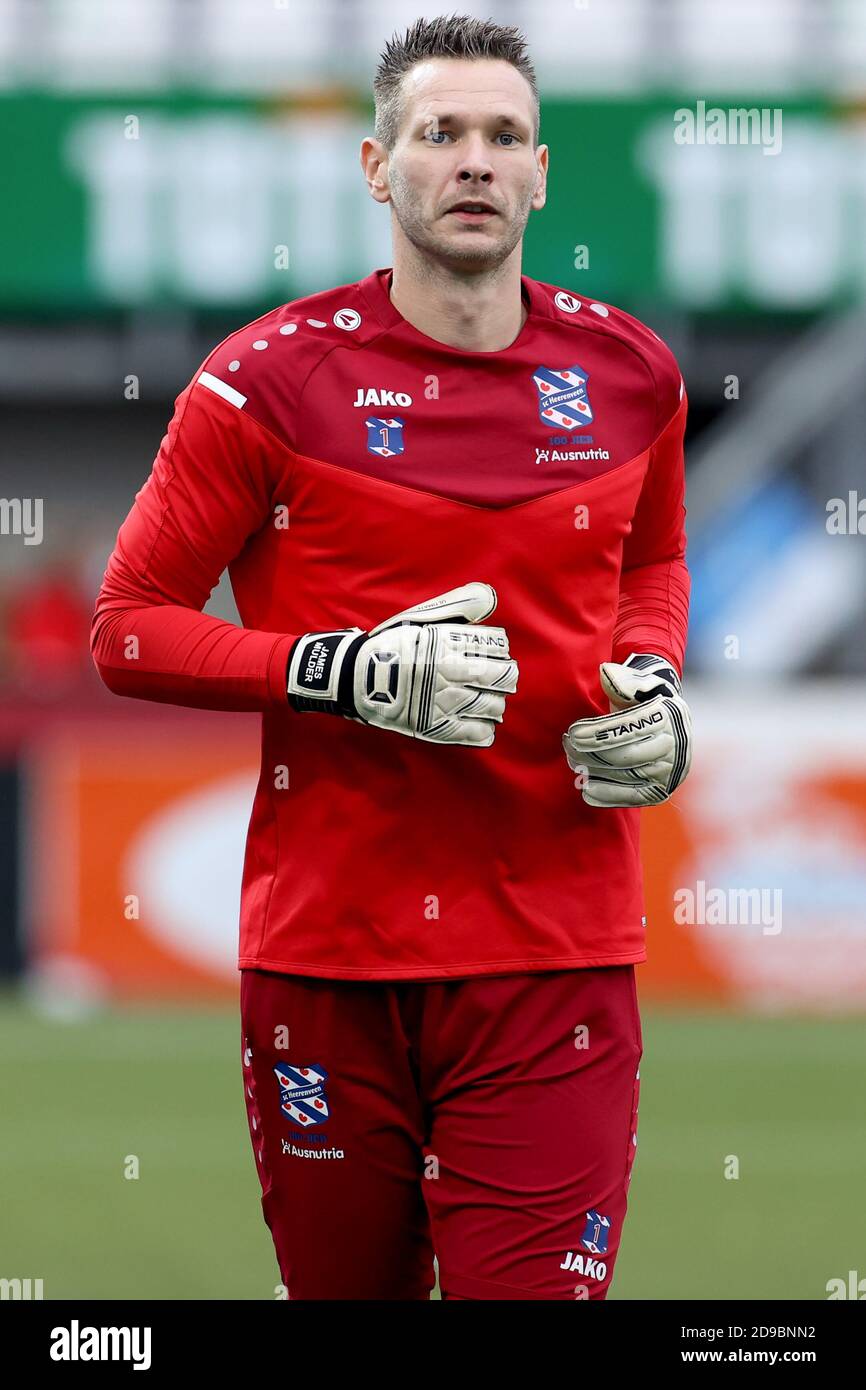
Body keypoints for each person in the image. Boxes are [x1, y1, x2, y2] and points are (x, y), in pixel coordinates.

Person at [91, 14, 692, 1301]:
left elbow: (648, 566)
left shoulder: (632, 374)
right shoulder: (261, 385)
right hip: (327, 959)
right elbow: (127, 623)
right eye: (439, 134)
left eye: (501, 137)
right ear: (378, 167)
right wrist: (338, 672)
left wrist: (653, 678)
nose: (471, 160)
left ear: (541, 171)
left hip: (555, 958)